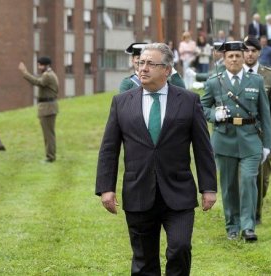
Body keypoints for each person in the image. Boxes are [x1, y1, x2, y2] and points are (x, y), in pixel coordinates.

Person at [96, 43, 217, 275]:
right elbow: (109, 149)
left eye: (151, 64)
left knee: (180, 248)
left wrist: (208, 187)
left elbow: (203, 148)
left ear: (167, 69)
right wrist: (105, 188)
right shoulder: (122, 102)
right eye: (141, 63)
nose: (143, 68)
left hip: (178, 193)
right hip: (138, 191)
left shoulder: (188, 101)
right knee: (143, 260)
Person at [201, 41, 271, 242]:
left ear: (243, 58)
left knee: (249, 180)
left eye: (237, 56)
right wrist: (215, 113)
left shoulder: (256, 80)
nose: (234, 59)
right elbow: (202, 108)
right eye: (230, 56)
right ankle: (232, 226)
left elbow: (265, 114)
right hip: (225, 140)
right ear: (224, 58)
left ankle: (248, 227)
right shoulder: (215, 81)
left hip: (251, 139)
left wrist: (267, 144)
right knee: (229, 185)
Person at [243, 36, 271, 225]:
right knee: (246, 176)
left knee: (263, 177)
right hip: (244, 132)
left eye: (253, 50)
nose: (250, 54)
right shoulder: (235, 73)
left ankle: (257, 208)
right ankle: (250, 214)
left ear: (259, 52)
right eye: (247, 50)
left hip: (265, 132)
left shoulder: (268, 75)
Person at [18, 56, 59, 162]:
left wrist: (25, 72)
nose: (39, 67)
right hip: (49, 107)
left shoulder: (47, 75)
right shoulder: (50, 74)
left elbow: (37, 82)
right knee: (49, 133)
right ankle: (50, 155)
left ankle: (50, 157)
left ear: (45, 65)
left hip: (47, 108)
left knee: (48, 134)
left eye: (40, 65)